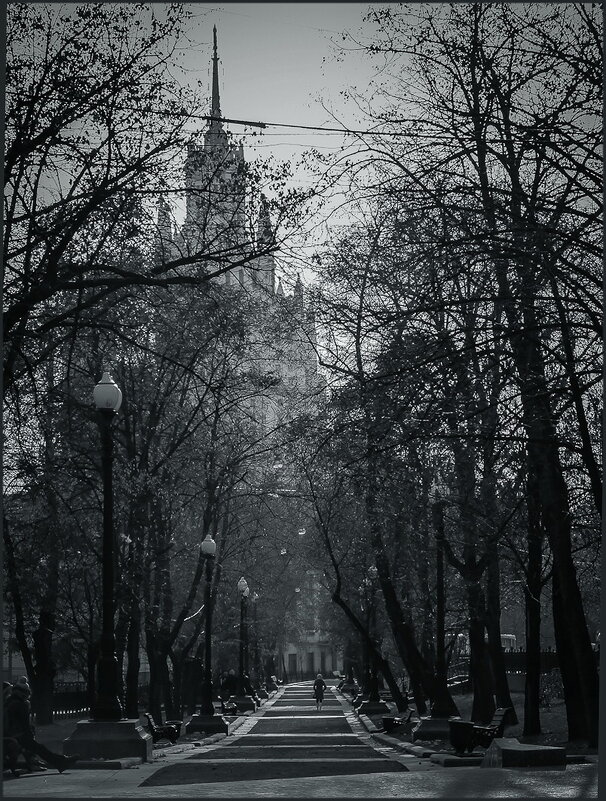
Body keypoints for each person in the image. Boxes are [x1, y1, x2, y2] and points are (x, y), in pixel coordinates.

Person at [4, 677, 79, 773]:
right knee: (39, 748)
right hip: (17, 736)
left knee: (38, 748)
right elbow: (25, 725)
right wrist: (30, 735)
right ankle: (61, 762)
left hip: (10, 734)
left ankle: (60, 762)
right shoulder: (21, 705)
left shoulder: (9, 702)